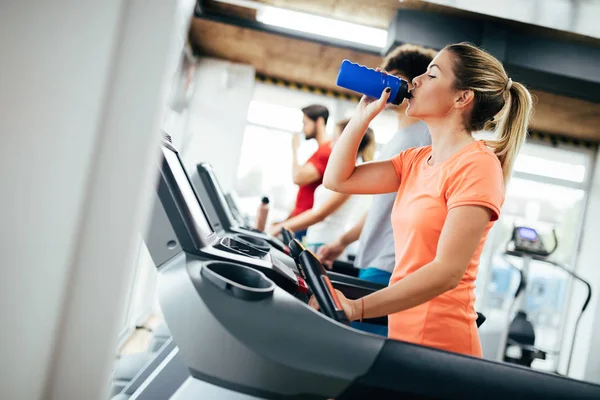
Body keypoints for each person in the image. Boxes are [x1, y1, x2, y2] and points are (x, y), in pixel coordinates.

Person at [312, 42, 533, 357]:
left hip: (441, 342)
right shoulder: (416, 159)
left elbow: (446, 271)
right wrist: (362, 117)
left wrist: (357, 308)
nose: (415, 81)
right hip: (405, 332)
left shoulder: (478, 166)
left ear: (461, 97)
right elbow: (338, 179)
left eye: (431, 75)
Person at [318, 44, 435, 289]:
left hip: (393, 261)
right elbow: (383, 205)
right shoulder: (399, 137)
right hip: (374, 258)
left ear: (405, 80)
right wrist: (343, 241)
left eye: (391, 76)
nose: (383, 80)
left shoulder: (426, 136)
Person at [268, 119, 376, 253]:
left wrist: (280, 228)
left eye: (335, 138)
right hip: (316, 241)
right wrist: (282, 226)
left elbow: (320, 214)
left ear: (348, 140)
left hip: (326, 246)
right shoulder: (341, 171)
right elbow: (316, 210)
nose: (331, 143)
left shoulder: (353, 174)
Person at [286, 104, 332, 241]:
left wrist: (294, 149)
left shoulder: (325, 153)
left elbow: (297, 178)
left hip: (305, 225)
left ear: (319, 122)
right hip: (299, 220)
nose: (302, 129)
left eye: (305, 123)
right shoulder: (319, 152)